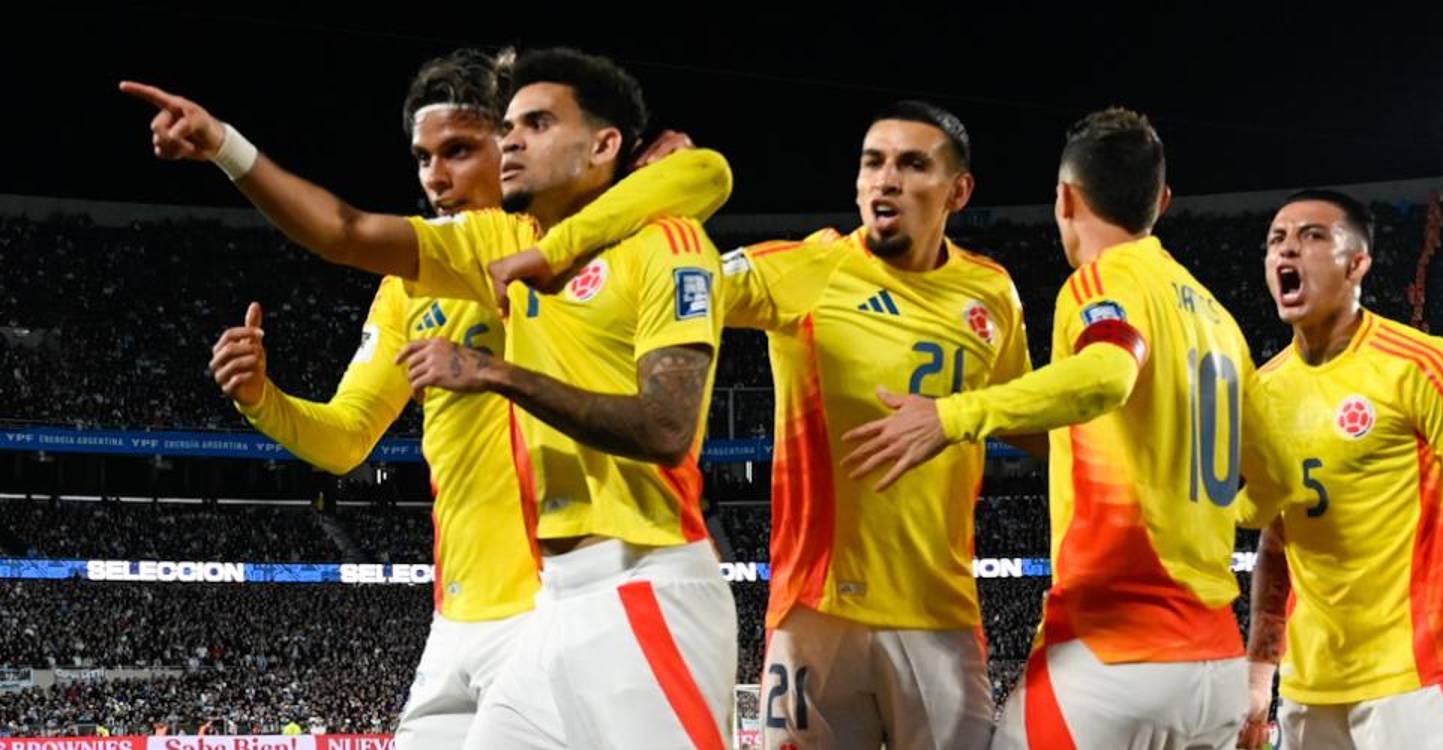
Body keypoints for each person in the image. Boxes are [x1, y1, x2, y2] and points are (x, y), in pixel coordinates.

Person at [123, 46, 732, 749]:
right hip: (458, 615)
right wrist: (263, 398)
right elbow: (344, 440)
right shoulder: (413, 284)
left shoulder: (561, 241)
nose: (437, 178)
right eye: (422, 158)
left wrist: (578, 234)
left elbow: (703, 172)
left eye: (461, 150)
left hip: (554, 599)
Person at [844, 107, 1285, 749]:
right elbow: (1276, 474)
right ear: (1161, 201)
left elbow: (1107, 374)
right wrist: (1226, 510)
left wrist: (953, 415)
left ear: (1065, 199)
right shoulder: (1219, 320)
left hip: (1113, 656)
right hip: (1215, 666)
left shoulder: (1102, 280)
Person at [715, 101, 1033, 749]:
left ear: (957, 192)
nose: (886, 179)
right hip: (815, 613)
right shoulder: (805, 269)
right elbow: (671, 292)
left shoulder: (992, 293)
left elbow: (1030, 422)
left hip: (940, 615)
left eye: (912, 165)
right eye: (873, 163)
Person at [1236, 189, 1443, 750]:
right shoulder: (1263, 392)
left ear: (1357, 264)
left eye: (1312, 236)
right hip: (1308, 686)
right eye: (1276, 240)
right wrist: (1260, 675)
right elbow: (1276, 543)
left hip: (1414, 677)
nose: (1287, 250)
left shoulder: (1425, 368)